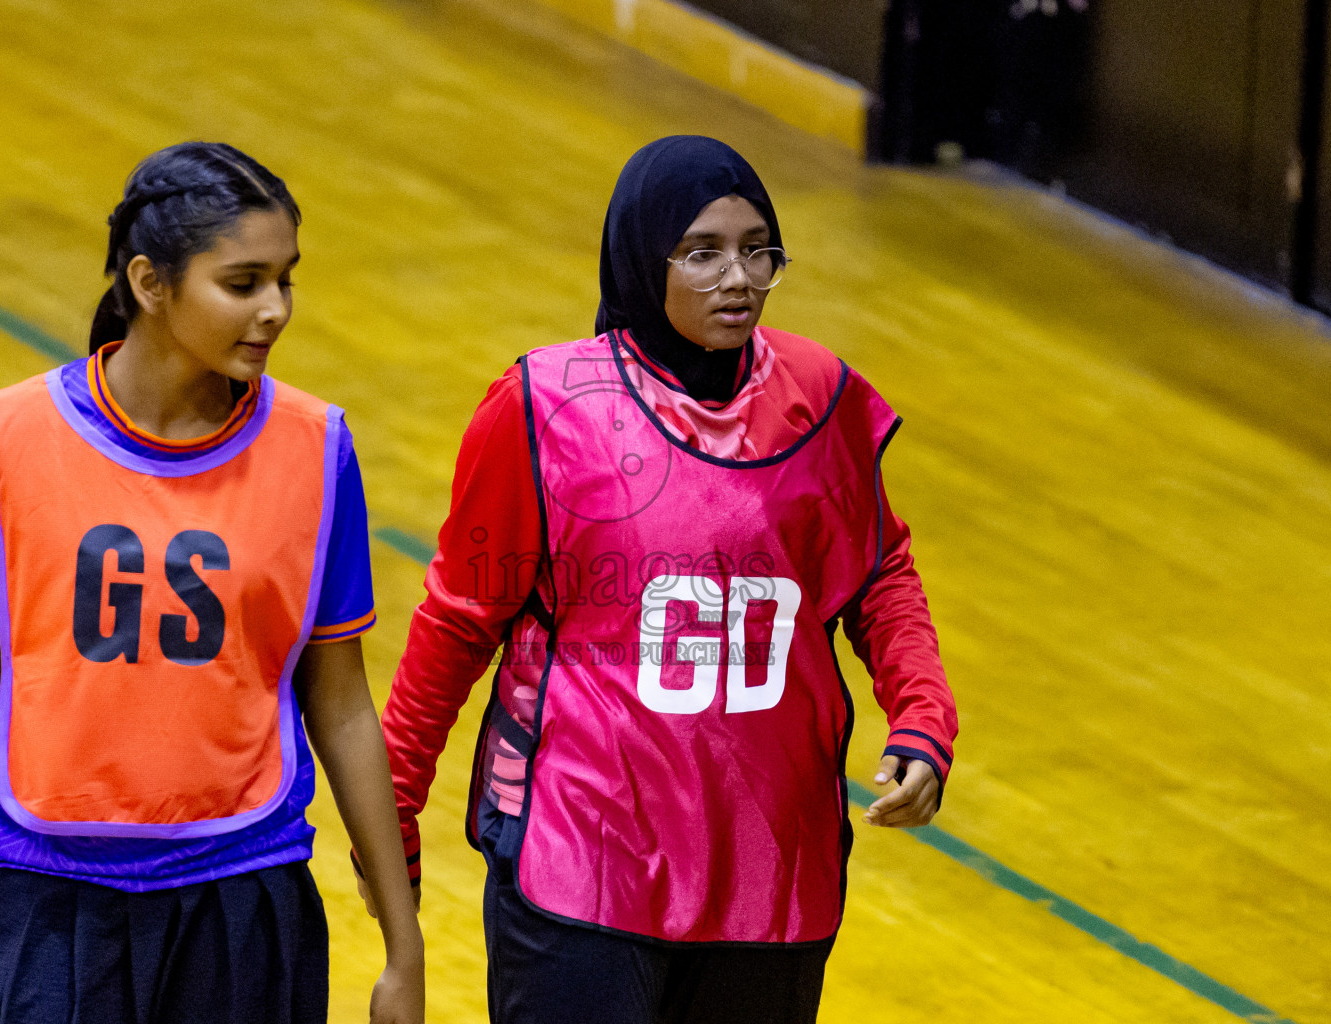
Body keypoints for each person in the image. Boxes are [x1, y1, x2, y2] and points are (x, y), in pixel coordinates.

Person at [376, 135, 958, 1023]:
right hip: (582, 858)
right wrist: (394, 812)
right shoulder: (546, 406)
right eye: (702, 252)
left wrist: (922, 718)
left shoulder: (820, 394)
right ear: (644, 259)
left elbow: (880, 574)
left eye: (758, 248)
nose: (739, 278)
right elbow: (457, 622)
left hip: (772, 869)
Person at [0, 142, 423, 1024]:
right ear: (150, 283)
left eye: (286, 280)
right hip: (51, 902)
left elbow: (344, 707)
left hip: (243, 900)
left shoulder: (317, 449)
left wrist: (404, 946)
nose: (275, 310)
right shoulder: (8, 436)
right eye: (243, 284)